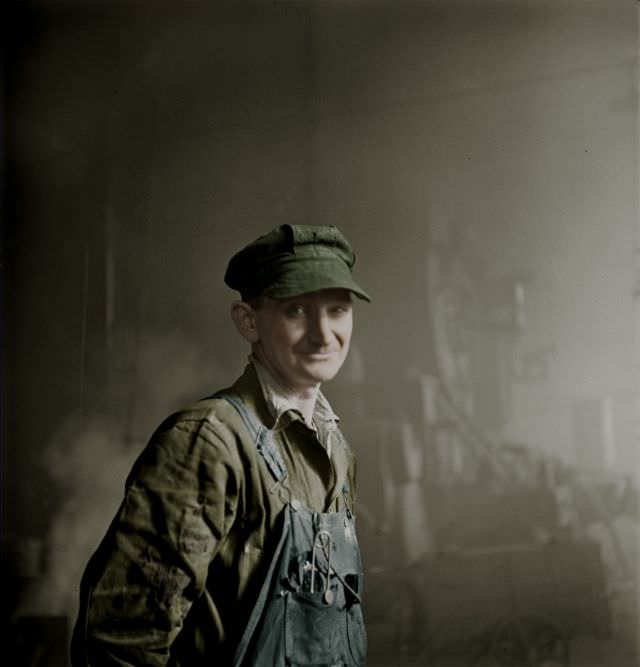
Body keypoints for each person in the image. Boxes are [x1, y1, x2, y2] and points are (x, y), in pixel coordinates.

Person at [71, 224, 371, 666]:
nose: (323, 334)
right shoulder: (208, 441)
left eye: (337, 310)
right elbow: (120, 642)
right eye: (296, 311)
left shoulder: (334, 446)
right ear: (248, 320)